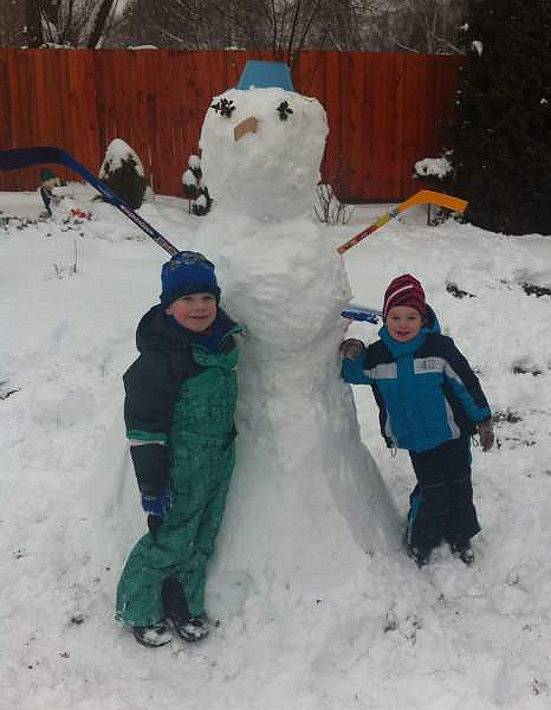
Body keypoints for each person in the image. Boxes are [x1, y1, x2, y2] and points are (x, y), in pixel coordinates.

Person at [116, 250, 242, 647]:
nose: (199, 307)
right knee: (168, 539)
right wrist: (153, 485)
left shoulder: (221, 341)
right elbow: (144, 429)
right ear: (168, 307)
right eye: (187, 299)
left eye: (207, 298)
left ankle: (183, 603)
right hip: (179, 468)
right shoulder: (159, 360)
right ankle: (137, 608)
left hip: (218, 461)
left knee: (202, 538)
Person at [340, 274, 494, 567]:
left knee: (460, 487)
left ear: (423, 318)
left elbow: (466, 384)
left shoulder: (440, 349)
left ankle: (460, 535)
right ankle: (421, 541)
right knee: (433, 493)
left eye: (411, 317)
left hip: (453, 435)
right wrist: (356, 352)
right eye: (395, 317)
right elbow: (352, 373)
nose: (403, 324)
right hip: (418, 441)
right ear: (385, 318)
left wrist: (483, 420)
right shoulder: (378, 356)